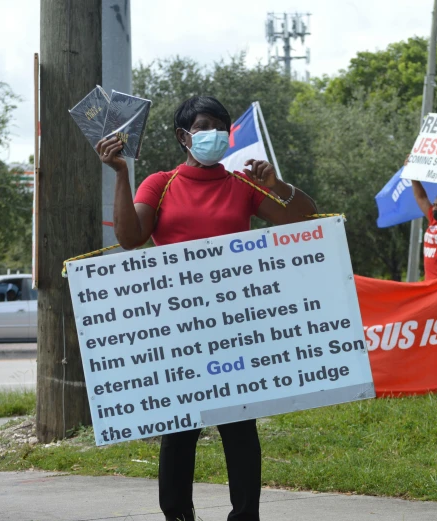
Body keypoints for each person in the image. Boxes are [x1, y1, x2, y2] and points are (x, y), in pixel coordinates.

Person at [96, 95, 318, 521]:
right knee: (178, 431)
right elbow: (129, 238)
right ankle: (178, 514)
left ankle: (245, 515)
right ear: (184, 136)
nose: (214, 134)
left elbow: (304, 216)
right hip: (178, 329)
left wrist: (277, 186)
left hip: (234, 328)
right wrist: (121, 175)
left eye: (221, 126)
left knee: (240, 428)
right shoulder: (159, 184)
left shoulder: (242, 185)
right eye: (203, 126)